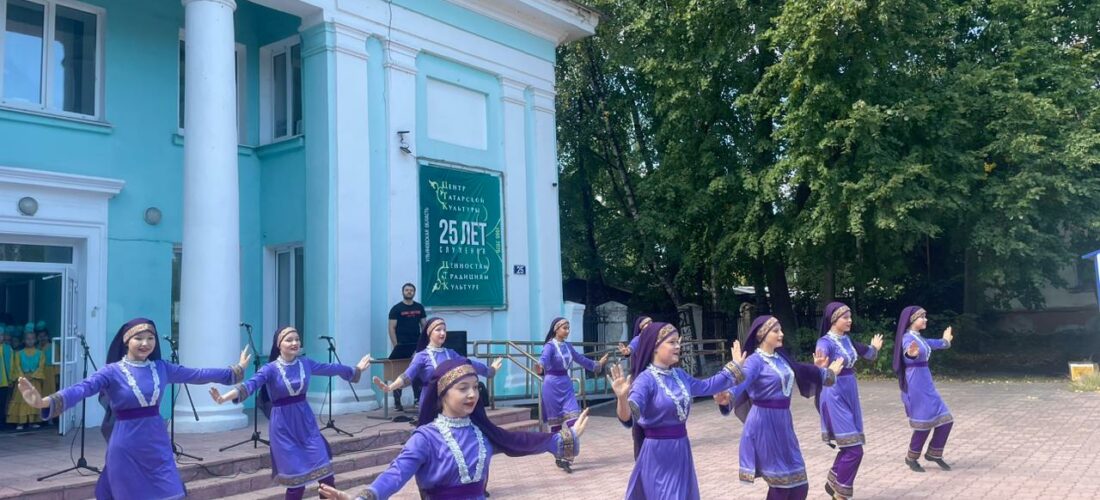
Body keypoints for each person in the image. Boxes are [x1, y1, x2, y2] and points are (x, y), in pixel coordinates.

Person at [16, 317, 250, 499]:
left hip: (157, 444)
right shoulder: (112, 372)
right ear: (126, 341)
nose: (145, 343)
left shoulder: (162, 368)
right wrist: (44, 402)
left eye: (150, 338)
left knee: (170, 492)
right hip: (126, 445)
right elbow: (82, 389)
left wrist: (235, 370)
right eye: (139, 338)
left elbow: (198, 374)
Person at [318, 358, 591, 500]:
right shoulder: (426, 439)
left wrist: (564, 438)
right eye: (463, 388)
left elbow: (520, 441)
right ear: (443, 394)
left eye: (475, 387)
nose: (472, 394)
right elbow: (395, 474)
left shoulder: (482, 433)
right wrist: (364, 496)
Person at [210, 326, 372, 499]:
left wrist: (356, 370)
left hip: (306, 424)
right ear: (279, 345)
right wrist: (223, 398)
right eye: (289, 340)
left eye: (297, 339)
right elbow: (250, 385)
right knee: (296, 482)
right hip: (283, 428)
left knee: (326, 475)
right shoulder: (270, 369)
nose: (295, 343)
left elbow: (331, 368)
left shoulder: (305, 363)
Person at [608, 321, 739, 499]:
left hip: (681, 449)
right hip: (658, 454)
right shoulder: (645, 381)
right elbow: (628, 417)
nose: (678, 346)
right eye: (672, 342)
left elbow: (707, 386)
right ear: (655, 347)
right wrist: (622, 398)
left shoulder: (680, 375)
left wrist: (734, 367)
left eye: (678, 342)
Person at [722, 315, 843, 499]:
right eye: (776, 331)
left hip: (784, 424)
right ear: (762, 335)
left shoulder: (780, 358)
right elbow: (742, 380)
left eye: (781, 330)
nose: (781, 334)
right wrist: (728, 395)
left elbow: (803, 371)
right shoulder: (755, 361)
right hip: (764, 424)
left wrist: (825, 372)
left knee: (799, 485)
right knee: (781, 486)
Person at [815, 302, 884, 500]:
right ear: (833, 320)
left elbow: (868, 353)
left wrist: (875, 347)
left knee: (849, 445)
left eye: (850, 316)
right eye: (845, 317)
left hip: (850, 393)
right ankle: (841, 494)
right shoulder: (824, 343)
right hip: (834, 394)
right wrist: (821, 367)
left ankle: (833, 481)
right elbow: (819, 368)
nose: (850, 320)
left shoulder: (847, 340)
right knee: (854, 450)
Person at [373, 317, 501, 410]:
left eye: (444, 330)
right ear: (429, 333)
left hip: (450, 402)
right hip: (430, 401)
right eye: (438, 330)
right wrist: (390, 387)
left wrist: (490, 371)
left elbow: (469, 364)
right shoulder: (421, 356)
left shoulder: (450, 353)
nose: (442, 333)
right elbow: (407, 376)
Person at [538, 317, 609, 472]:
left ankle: (568, 457)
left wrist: (597, 364)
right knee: (556, 426)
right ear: (556, 329)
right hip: (551, 386)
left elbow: (580, 359)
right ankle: (559, 456)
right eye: (564, 328)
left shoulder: (568, 346)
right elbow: (543, 359)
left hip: (566, 385)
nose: (567, 331)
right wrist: (540, 366)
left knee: (573, 421)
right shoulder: (549, 346)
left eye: (568, 328)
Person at [893, 306, 955, 472]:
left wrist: (945, 341)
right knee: (923, 422)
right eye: (922, 317)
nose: (925, 319)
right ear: (912, 320)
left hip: (925, 383)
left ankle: (934, 453)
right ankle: (911, 458)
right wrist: (911, 354)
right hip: (915, 384)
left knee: (946, 420)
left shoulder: (919, 338)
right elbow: (908, 353)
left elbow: (933, 343)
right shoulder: (907, 339)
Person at [388, 283, 426, 411]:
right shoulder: (396, 309)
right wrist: (396, 346)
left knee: (417, 371)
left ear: (414, 292)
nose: (409, 292)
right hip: (401, 345)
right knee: (398, 373)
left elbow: (424, 326)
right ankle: (397, 403)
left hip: (416, 346)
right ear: (403, 292)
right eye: (407, 290)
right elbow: (391, 328)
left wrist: (424, 344)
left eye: (411, 290)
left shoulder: (419, 307)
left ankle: (417, 400)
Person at [8, 329, 45, 430]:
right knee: (22, 399)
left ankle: (33, 421)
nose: (30, 341)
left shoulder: (40, 353)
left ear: (35, 340)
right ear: (24, 340)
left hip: (34, 380)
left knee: (33, 399)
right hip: (23, 381)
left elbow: (41, 366)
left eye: (32, 339)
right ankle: (20, 422)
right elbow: (17, 366)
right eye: (28, 339)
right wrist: (23, 377)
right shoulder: (18, 354)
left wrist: (33, 375)